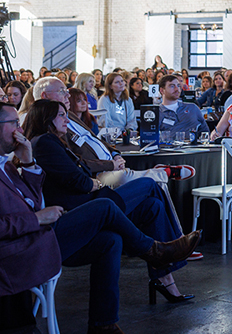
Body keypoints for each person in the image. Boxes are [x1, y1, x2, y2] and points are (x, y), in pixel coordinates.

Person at [0, 102, 202, 333]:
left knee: (118, 234)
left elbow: (37, 197)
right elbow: (78, 182)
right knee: (136, 190)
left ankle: (104, 324)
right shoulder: (43, 142)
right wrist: (37, 218)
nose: (20, 128)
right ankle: (159, 255)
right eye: (14, 123)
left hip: (54, 226)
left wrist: (28, 162)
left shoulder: (10, 163)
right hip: (36, 241)